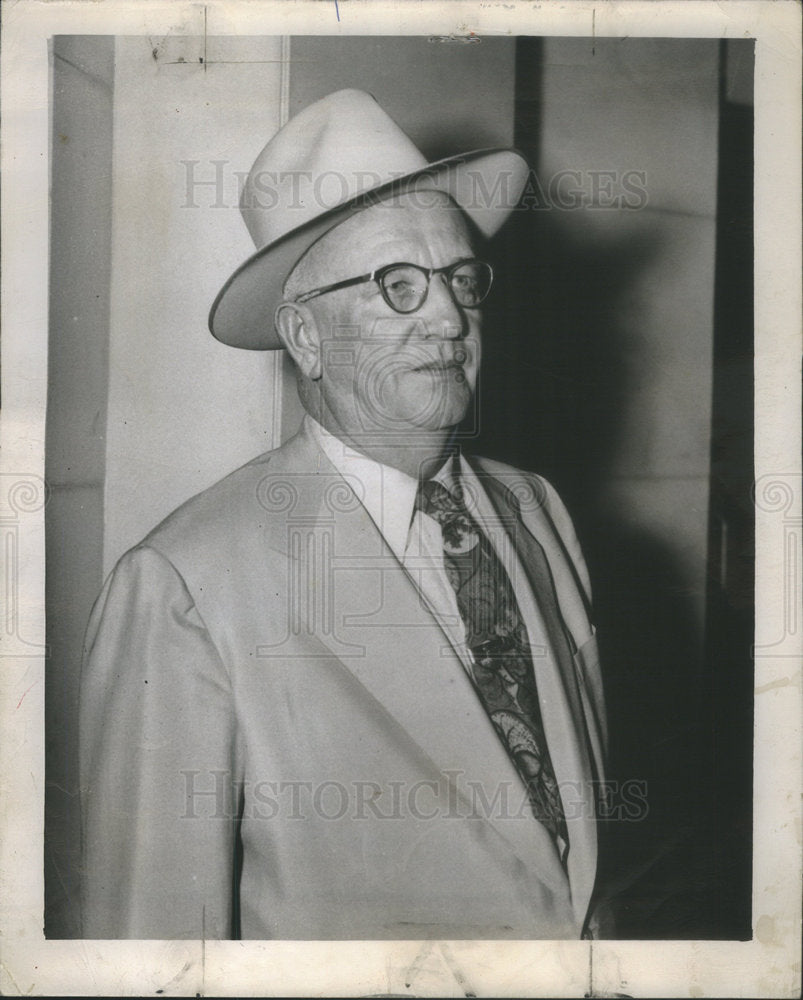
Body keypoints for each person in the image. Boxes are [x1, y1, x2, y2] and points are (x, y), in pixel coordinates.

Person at [79, 89, 608, 940]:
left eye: (460, 279)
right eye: (396, 286)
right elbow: (155, 945)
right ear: (305, 337)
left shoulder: (533, 507)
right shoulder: (187, 585)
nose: (447, 317)